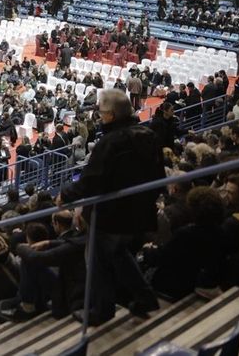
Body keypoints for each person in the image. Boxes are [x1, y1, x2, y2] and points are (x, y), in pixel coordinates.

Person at [57, 89, 161, 325]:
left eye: (102, 113)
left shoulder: (110, 142)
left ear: (112, 115)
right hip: (140, 210)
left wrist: (66, 195)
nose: (100, 117)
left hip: (110, 214)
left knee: (98, 263)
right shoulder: (148, 135)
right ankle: (145, 298)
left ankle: (101, 311)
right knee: (120, 254)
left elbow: (91, 180)